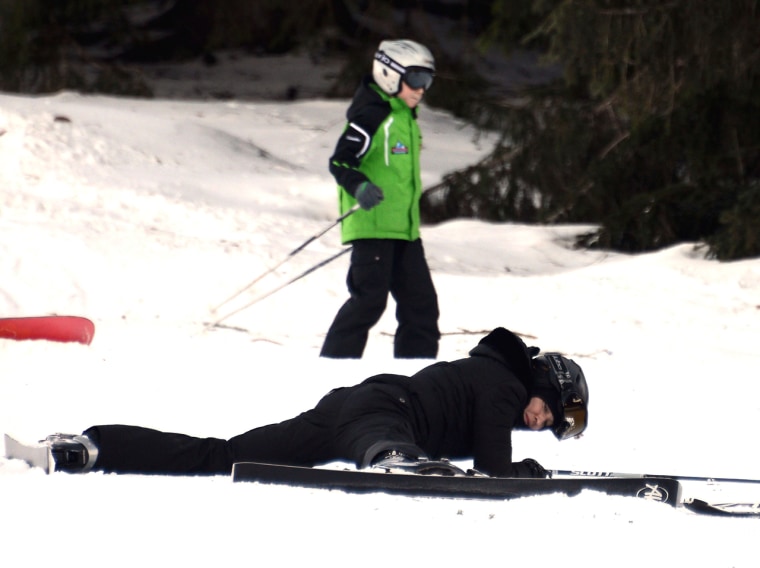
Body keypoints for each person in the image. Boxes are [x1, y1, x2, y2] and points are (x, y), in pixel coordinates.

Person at [39, 328, 589, 478]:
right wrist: (527, 472)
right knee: (386, 446)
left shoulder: (499, 388)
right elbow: (494, 466)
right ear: (545, 380)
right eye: (550, 409)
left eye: (547, 427)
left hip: (343, 414)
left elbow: (492, 451)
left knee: (223, 456)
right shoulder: (505, 382)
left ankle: (93, 446)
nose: (539, 421)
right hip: (383, 413)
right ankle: (392, 459)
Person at [320, 39, 440, 359]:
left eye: (427, 81)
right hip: (373, 226)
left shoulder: (404, 117)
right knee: (368, 302)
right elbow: (341, 161)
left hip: (404, 230)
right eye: (415, 79)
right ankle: (331, 372)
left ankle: (414, 379)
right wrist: (359, 186)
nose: (421, 89)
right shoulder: (372, 115)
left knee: (422, 309)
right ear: (389, 73)